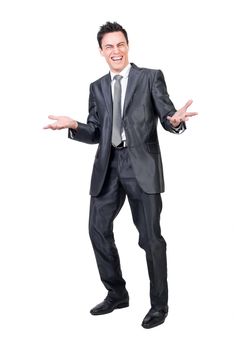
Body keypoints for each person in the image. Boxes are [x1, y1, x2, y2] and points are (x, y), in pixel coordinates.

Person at [44, 21, 197, 329]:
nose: (116, 51)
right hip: (108, 166)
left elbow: (168, 117)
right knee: (97, 230)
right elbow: (96, 132)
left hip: (142, 167)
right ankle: (117, 293)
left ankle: (159, 305)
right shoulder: (97, 87)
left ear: (128, 46)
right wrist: (74, 125)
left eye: (121, 44)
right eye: (109, 46)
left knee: (151, 239)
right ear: (101, 51)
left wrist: (176, 120)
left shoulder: (150, 77)